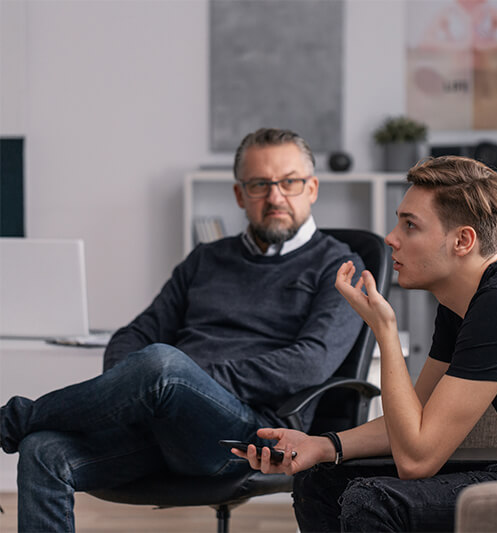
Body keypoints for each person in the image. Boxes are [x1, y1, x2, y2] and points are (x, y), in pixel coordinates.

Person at [232, 155, 497, 532]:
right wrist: (323, 446)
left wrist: (384, 329)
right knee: (321, 480)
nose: (391, 238)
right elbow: (412, 423)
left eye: (410, 225)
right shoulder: (462, 303)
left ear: (463, 241)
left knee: (374, 502)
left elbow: (417, 461)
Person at [0, 127, 365, 533]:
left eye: (289, 182)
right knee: (41, 450)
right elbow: (133, 336)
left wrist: (187, 380)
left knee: (163, 365)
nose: (275, 196)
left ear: (312, 188)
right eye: (260, 184)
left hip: (248, 434)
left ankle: (13, 419)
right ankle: (23, 427)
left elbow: (310, 363)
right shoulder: (206, 259)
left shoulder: (339, 267)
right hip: (162, 419)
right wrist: (134, 386)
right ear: (240, 195)